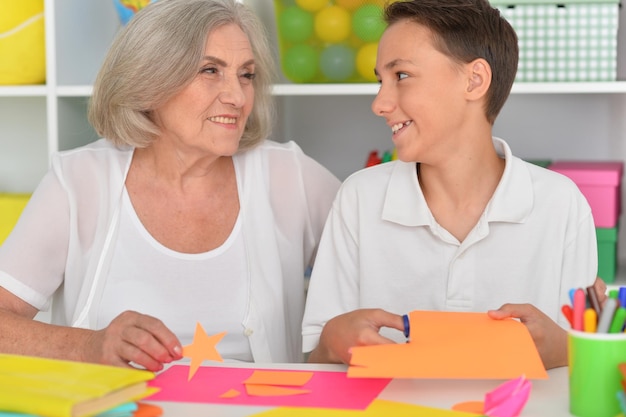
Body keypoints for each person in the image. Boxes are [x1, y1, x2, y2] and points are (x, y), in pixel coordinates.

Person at [0, 0, 340, 371]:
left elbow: (381, 263)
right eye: (210, 70)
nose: (239, 97)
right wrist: (87, 346)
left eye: (246, 74)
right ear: (149, 80)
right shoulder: (78, 181)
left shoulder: (290, 175)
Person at [301, 0, 606, 370]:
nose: (379, 103)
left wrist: (567, 350)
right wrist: (332, 342)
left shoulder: (561, 205)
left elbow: (585, 370)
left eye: (401, 76)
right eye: (380, 80)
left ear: (474, 80)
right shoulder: (359, 199)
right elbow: (316, 360)